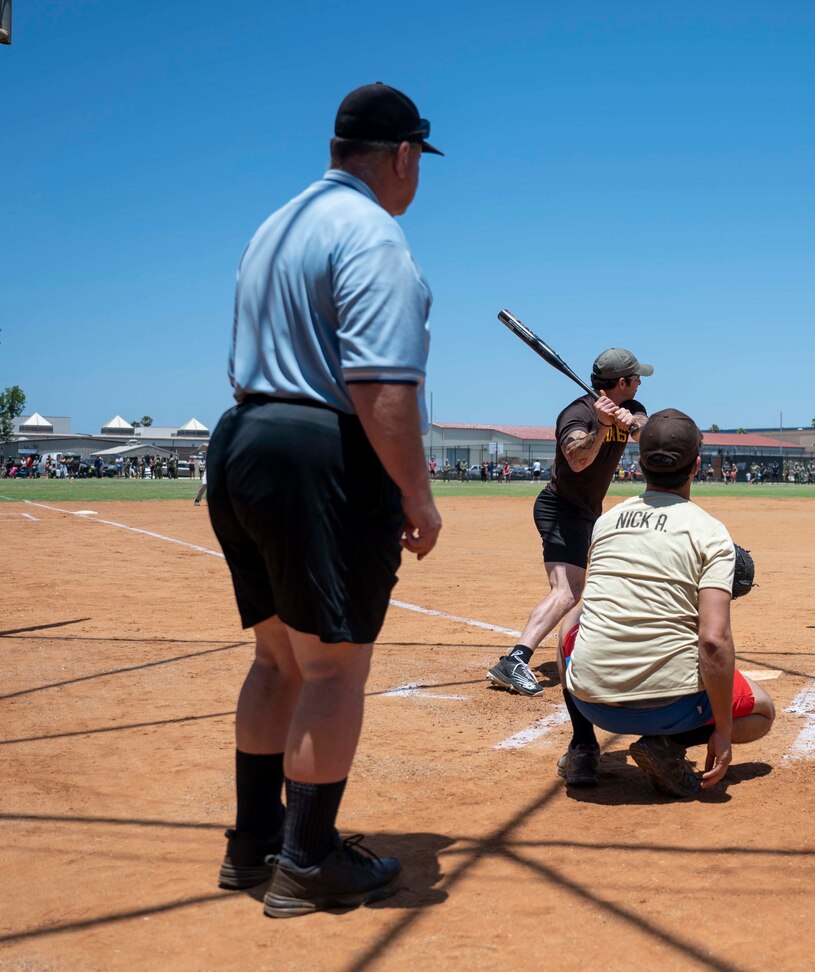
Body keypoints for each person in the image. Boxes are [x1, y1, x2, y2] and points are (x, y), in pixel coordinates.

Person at [207, 82, 442, 918]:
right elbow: (379, 384)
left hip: (240, 439)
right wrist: (418, 494)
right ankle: (306, 858)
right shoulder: (374, 235)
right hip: (317, 452)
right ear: (404, 156)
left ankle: (254, 842)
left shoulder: (277, 225)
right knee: (335, 664)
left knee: (275, 658)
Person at [562, 409, 775, 797]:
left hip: (591, 702)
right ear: (696, 465)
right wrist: (724, 734)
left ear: (639, 463)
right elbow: (713, 640)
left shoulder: (607, 521)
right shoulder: (710, 532)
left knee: (572, 618)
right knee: (762, 710)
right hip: (668, 707)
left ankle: (582, 745)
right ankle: (668, 745)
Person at [486, 349, 649, 778]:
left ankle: (527, 654)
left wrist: (630, 423)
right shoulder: (576, 414)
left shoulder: (631, 406)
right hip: (560, 508)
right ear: (620, 381)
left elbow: (649, 437)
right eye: (635, 379)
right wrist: (601, 427)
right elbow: (577, 459)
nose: (640, 386)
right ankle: (515, 659)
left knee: (577, 591)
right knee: (568, 592)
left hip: (587, 512)